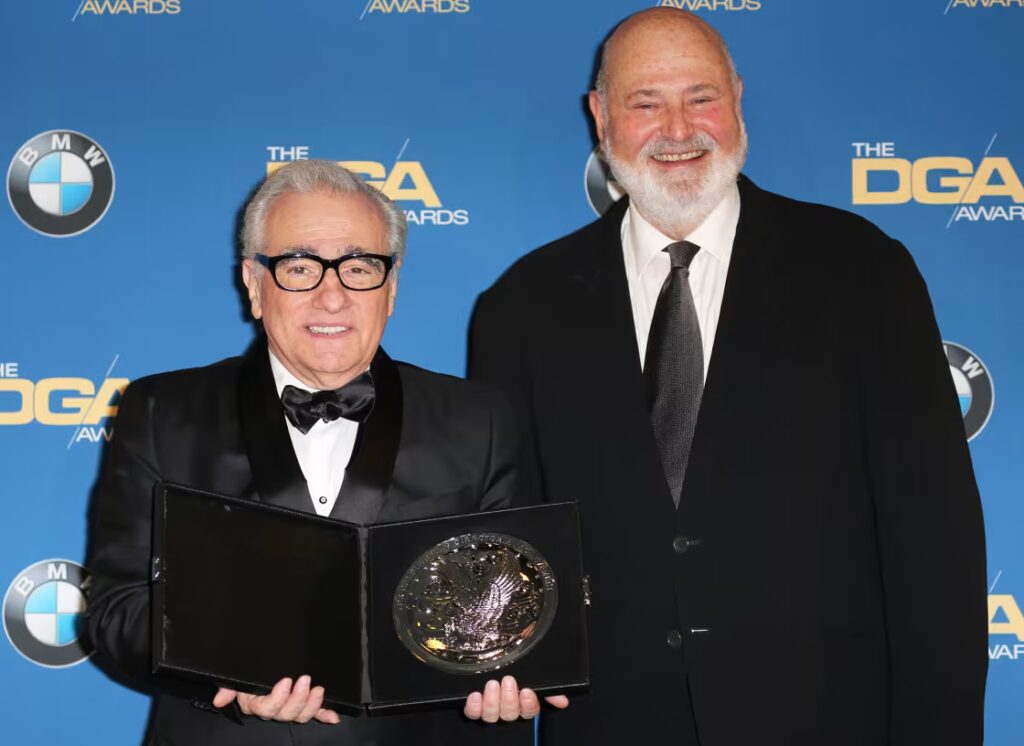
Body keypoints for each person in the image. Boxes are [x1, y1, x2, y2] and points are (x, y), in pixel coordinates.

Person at [469, 8, 987, 745]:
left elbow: (934, 534)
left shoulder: (862, 272)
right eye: (646, 103)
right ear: (601, 117)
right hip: (611, 725)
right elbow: (504, 543)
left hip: (825, 720)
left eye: (701, 97)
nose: (678, 129)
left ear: (737, 100)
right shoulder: (522, 306)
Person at [85, 160, 537, 745]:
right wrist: (225, 673)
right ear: (254, 283)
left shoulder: (482, 419)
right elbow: (117, 609)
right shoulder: (161, 412)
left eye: (359, 267)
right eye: (299, 267)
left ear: (392, 286)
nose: (332, 296)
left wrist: (511, 671)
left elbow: (517, 604)